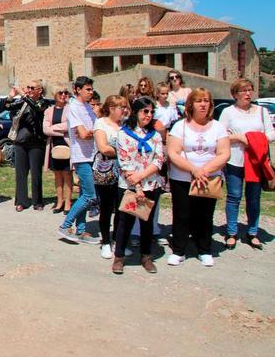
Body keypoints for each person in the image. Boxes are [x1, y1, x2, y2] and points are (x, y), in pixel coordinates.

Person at [166, 88, 230, 267]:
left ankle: (204, 249)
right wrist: (194, 170)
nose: (203, 104)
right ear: (191, 104)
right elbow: (173, 152)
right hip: (182, 178)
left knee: (205, 215)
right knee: (182, 214)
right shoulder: (180, 126)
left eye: (206, 101)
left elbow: (224, 153)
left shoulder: (218, 127)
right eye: (199, 101)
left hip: (208, 178)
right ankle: (179, 250)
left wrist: (204, 171)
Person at [219, 78, 275, 250]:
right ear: (235, 94)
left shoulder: (261, 111)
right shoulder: (228, 112)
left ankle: (252, 232)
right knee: (234, 196)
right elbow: (220, 136)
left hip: (256, 161)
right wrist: (236, 137)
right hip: (235, 160)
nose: (248, 93)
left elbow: (271, 133)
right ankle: (231, 232)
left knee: (254, 197)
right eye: (243, 90)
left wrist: (254, 139)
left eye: (250, 90)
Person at [112, 97, 165, 275]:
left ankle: (146, 256)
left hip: (151, 184)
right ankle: (119, 257)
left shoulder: (155, 135)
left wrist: (142, 178)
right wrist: (137, 187)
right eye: (145, 111)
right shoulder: (124, 133)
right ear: (136, 112)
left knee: (147, 222)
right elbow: (124, 160)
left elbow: (158, 160)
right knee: (125, 222)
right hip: (129, 185)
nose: (148, 115)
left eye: (151, 112)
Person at [57, 76, 100, 244]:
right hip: (81, 156)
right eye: (87, 89)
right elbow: (83, 134)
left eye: (91, 89)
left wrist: (91, 132)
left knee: (84, 194)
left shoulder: (88, 108)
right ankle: (66, 225)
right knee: (90, 195)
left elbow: (92, 130)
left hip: (92, 154)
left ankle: (81, 230)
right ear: (78, 90)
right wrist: (93, 133)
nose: (91, 92)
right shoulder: (73, 107)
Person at [93, 95, 128, 259]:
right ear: (112, 108)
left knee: (122, 209)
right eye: (122, 107)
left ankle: (118, 241)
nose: (124, 110)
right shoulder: (100, 123)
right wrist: (125, 153)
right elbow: (103, 148)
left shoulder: (125, 125)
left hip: (123, 172)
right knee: (107, 208)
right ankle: (106, 242)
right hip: (105, 170)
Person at [7, 80, 47, 211]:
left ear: (40, 90)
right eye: (28, 87)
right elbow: (7, 106)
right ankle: (21, 201)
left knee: (36, 174)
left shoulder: (43, 102)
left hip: (36, 142)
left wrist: (23, 95)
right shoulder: (24, 102)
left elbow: (36, 107)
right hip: (21, 142)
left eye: (32, 88)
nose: (29, 90)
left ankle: (37, 201)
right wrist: (11, 96)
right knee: (21, 174)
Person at [43, 84, 72, 214]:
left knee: (67, 174)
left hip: (67, 145)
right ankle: (59, 201)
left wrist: (54, 128)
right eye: (61, 93)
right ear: (55, 95)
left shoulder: (70, 109)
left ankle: (68, 202)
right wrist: (61, 131)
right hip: (54, 146)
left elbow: (69, 126)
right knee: (57, 174)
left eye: (66, 93)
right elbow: (45, 129)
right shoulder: (49, 110)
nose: (63, 95)